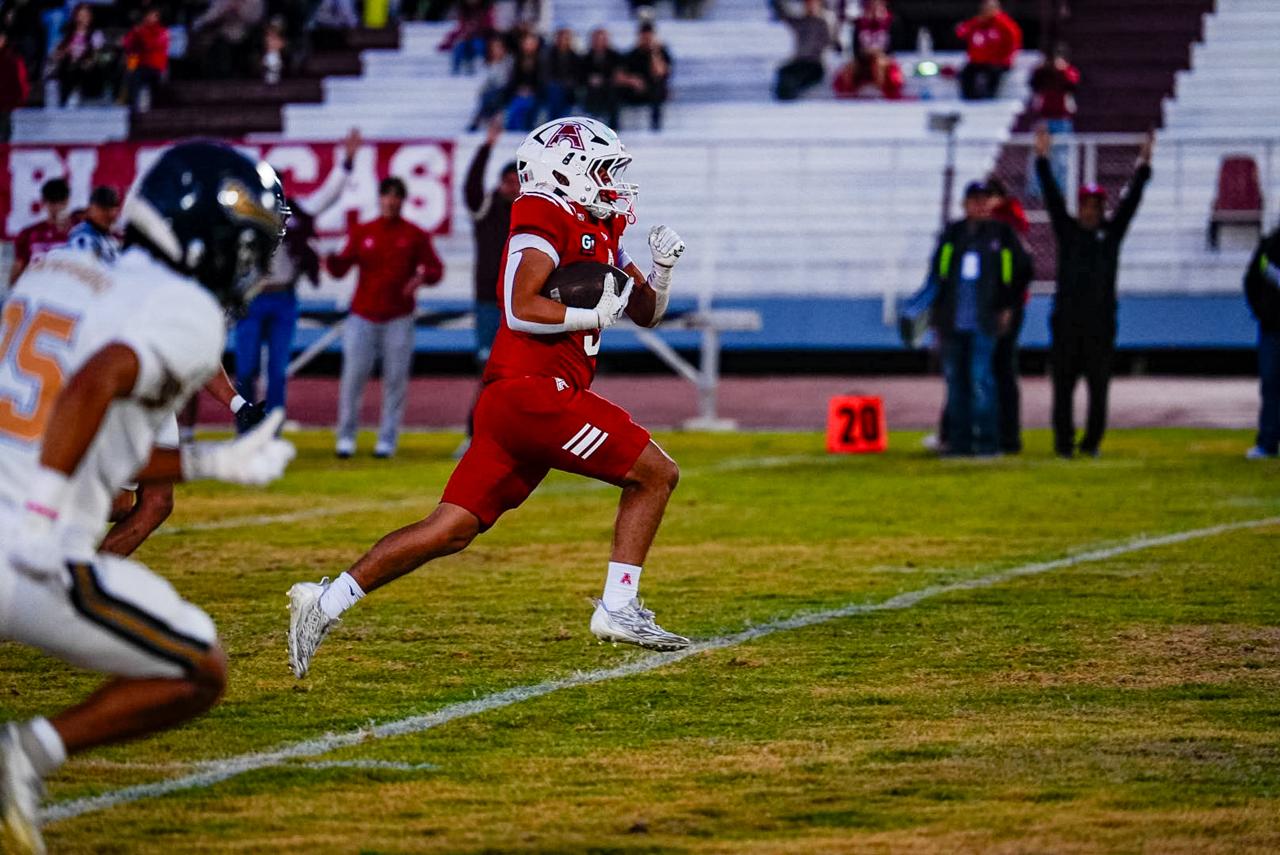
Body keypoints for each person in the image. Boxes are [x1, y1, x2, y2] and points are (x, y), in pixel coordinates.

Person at [286, 116, 691, 680]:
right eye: (602, 169)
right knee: (655, 473)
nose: (612, 182)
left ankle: (324, 602)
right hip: (533, 393)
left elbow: (645, 312)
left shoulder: (601, 223)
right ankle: (619, 608)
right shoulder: (542, 212)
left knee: (450, 528)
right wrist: (588, 313)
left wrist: (663, 272)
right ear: (566, 172)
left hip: (518, 400)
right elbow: (518, 305)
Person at [0, 141, 294, 855]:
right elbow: (96, 381)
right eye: (248, 245)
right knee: (200, 667)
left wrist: (208, 461)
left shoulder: (60, 267)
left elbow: (86, 427)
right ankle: (22, 756)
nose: (250, 265)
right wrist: (42, 516)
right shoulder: (185, 312)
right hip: (26, 545)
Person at [1036, 126, 1153, 458]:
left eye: (1095, 205)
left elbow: (1131, 203)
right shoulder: (1068, 231)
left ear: (1102, 208)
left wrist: (1143, 167)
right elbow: (1052, 198)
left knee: (1098, 390)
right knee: (1063, 389)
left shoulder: (1111, 236)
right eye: (1085, 204)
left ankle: (1092, 442)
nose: (1089, 210)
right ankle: (1063, 443)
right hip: (1066, 325)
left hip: (1100, 327)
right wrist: (1042, 159)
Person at [236, 128, 359, 427]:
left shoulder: (293, 213)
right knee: (245, 369)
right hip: (251, 298)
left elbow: (326, 197)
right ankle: (247, 426)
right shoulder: (241, 216)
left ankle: (272, 427)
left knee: (277, 370)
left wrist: (347, 163)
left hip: (283, 296)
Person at [328, 176, 444, 459]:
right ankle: (346, 437)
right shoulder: (363, 231)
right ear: (380, 199)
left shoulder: (414, 234)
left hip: (399, 317)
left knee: (395, 381)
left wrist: (420, 278)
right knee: (353, 378)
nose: (391, 201)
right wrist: (331, 259)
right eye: (387, 196)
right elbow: (341, 269)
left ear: (402, 201)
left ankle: (387, 440)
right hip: (362, 315)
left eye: (396, 197)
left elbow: (435, 269)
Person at [928, 181, 1032, 456]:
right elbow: (938, 273)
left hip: (985, 321)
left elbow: (1020, 271)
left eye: (984, 200)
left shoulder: (1002, 234)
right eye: (974, 200)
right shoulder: (952, 234)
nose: (979, 205)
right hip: (954, 321)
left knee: (981, 380)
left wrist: (1007, 305)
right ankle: (959, 443)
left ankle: (987, 442)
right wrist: (937, 314)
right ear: (965, 204)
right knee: (956, 384)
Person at [458, 116, 520, 458]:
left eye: (517, 182)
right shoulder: (488, 208)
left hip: (519, 304)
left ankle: (508, 437)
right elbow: (470, 190)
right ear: (500, 184)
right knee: (488, 371)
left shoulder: (530, 214)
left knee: (516, 373)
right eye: (508, 182)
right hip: (487, 302)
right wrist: (486, 147)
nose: (513, 188)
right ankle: (474, 434)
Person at [984, 177, 1030, 453]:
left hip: (1004, 309)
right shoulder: (1003, 224)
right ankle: (1000, 433)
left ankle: (1006, 435)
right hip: (995, 307)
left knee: (1000, 370)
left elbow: (1017, 271)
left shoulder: (1004, 225)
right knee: (998, 371)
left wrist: (1007, 306)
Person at [1242, 228, 1280, 459]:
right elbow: (1251, 281)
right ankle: (1268, 441)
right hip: (1272, 329)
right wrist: (1262, 312)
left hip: (1270, 329)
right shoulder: (1270, 246)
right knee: (1271, 386)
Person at [770, 0, 836, 101]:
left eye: (813, 4)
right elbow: (783, 14)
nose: (810, 7)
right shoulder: (801, 22)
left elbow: (831, 41)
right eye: (808, 4)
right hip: (799, 62)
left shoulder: (823, 23)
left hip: (814, 65)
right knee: (783, 72)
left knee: (795, 77)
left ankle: (790, 95)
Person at [10, 178, 72, 286]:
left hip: (68, 293)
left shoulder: (79, 232)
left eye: (60, 201)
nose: (57, 207)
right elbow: (18, 268)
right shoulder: (29, 234)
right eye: (52, 202)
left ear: (67, 201)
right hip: (38, 293)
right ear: (43, 202)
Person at [955, 0, 1021, 101]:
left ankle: (990, 98)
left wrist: (1005, 59)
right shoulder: (978, 22)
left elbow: (1013, 43)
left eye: (989, 9)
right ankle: (969, 98)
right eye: (984, 9)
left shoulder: (1005, 24)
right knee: (966, 73)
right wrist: (972, 24)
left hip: (998, 62)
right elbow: (961, 32)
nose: (986, 11)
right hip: (978, 61)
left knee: (993, 74)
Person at [613, 22, 672, 131]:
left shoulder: (662, 53)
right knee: (615, 91)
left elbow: (659, 72)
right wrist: (632, 81)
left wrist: (654, 52)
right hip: (634, 90)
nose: (646, 40)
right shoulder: (632, 54)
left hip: (653, 91)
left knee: (657, 88)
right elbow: (619, 76)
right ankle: (614, 126)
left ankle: (656, 125)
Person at [50, 3, 107, 107]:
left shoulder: (95, 34)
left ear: (90, 18)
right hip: (69, 66)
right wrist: (64, 52)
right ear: (75, 17)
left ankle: (83, 95)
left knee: (86, 67)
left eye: (85, 16)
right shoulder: (67, 34)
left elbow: (97, 53)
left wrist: (88, 59)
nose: (82, 19)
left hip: (87, 67)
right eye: (80, 16)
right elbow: (56, 54)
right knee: (67, 67)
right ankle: (68, 97)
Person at [122, 7, 169, 112]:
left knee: (145, 75)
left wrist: (140, 35)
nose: (150, 18)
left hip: (155, 65)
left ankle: (151, 105)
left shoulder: (162, 31)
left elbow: (151, 45)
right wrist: (135, 34)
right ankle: (130, 102)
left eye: (154, 15)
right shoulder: (137, 30)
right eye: (148, 15)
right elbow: (128, 45)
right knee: (129, 70)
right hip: (138, 62)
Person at [67, 185, 121, 263]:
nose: (108, 215)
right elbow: (83, 267)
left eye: (112, 210)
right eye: (103, 209)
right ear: (90, 209)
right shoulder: (83, 236)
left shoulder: (109, 238)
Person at [469, 34, 511, 131]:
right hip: (492, 92)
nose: (496, 50)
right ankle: (484, 120)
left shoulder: (509, 61)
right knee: (486, 95)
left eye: (498, 48)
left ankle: (477, 120)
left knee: (491, 96)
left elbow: (504, 80)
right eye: (494, 48)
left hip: (505, 90)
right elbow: (485, 82)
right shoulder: (487, 63)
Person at [581, 28, 621, 125]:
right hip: (591, 89)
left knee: (613, 93)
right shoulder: (586, 57)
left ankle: (613, 126)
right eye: (596, 40)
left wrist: (603, 80)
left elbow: (618, 74)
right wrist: (589, 79)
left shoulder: (615, 56)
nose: (599, 43)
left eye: (602, 40)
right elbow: (580, 75)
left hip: (609, 87)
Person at [543, 27, 581, 120]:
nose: (563, 41)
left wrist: (569, 82)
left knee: (565, 92)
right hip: (552, 86)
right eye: (561, 38)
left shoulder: (575, 56)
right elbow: (545, 74)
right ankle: (555, 121)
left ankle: (560, 120)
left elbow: (578, 75)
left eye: (566, 39)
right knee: (555, 89)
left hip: (569, 88)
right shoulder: (549, 54)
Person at [0, 28, 30, 144]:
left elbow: (21, 82)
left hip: (5, 105)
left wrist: (19, 100)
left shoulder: (13, 59)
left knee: (4, 136)